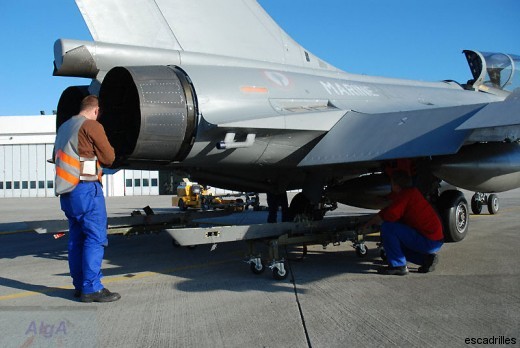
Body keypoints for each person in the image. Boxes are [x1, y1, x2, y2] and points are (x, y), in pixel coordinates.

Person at [53, 95, 121, 302]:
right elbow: (109, 158)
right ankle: (91, 288)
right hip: (86, 189)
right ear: (96, 110)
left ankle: (80, 285)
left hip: (67, 192)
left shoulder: (65, 127)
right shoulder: (91, 125)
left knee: (76, 240)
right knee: (95, 238)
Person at [364, 170, 444, 275]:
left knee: (388, 227)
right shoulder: (411, 192)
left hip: (428, 241)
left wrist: (366, 225)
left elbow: (389, 215)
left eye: (391, 183)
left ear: (396, 185)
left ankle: (398, 266)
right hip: (435, 239)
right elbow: (392, 203)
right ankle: (426, 260)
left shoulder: (404, 196)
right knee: (398, 247)